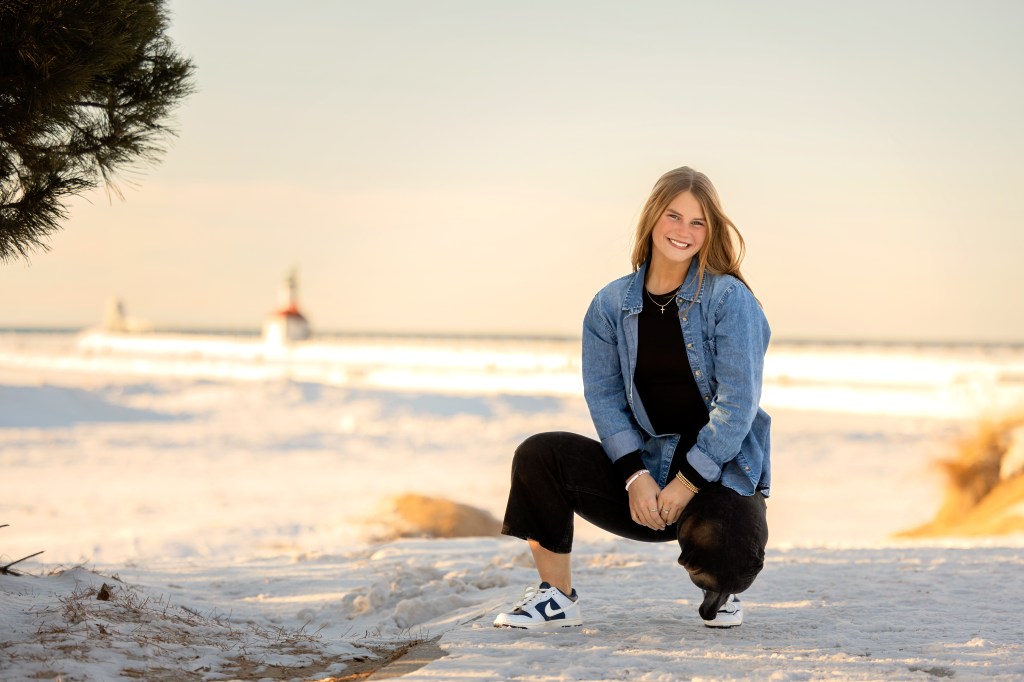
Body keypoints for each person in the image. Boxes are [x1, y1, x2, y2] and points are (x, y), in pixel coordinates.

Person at [494, 166, 771, 631]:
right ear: (652, 219)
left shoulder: (728, 299)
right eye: (674, 216)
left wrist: (686, 482)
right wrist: (634, 476)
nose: (684, 232)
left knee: (728, 560)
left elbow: (737, 407)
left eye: (698, 223)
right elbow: (603, 397)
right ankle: (556, 597)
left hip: (716, 473)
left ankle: (719, 590)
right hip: (646, 475)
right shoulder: (609, 305)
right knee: (539, 454)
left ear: (710, 232)